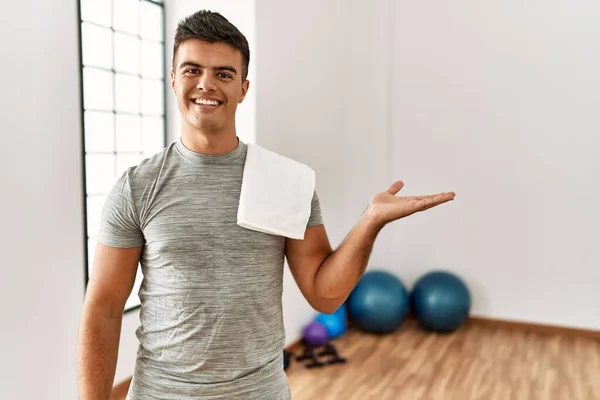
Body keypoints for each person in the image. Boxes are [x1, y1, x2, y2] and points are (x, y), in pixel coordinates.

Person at [76, 10, 455, 400]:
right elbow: (104, 308)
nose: (206, 83)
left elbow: (324, 295)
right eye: (192, 70)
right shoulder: (136, 188)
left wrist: (370, 221)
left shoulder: (285, 181)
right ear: (174, 79)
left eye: (223, 74)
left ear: (243, 88)